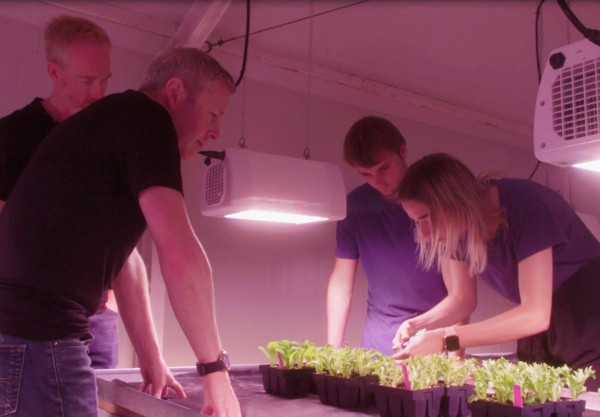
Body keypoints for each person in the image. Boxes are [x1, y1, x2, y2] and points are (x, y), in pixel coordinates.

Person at [0, 45, 241, 417]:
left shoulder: (110, 124)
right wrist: (215, 371)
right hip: (37, 339)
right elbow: (180, 254)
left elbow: (124, 261)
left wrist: (150, 356)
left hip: (15, 338)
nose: (215, 132)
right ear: (174, 93)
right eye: (213, 114)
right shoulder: (149, 119)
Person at [393, 152, 600, 390]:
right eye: (416, 222)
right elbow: (462, 300)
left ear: (452, 202)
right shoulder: (459, 229)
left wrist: (444, 339)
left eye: (425, 218)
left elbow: (535, 315)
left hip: (587, 316)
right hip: (540, 324)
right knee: (534, 400)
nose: (424, 233)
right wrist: (417, 326)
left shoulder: (525, 203)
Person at [1, 14, 125, 370]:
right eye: (87, 80)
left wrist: (111, 294)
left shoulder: (104, 143)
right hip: (33, 321)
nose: (99, 93)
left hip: (98, 318)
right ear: (55, 73)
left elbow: (116, 234)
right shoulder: (12, 138)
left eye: (105, 80)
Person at [326, 116, 455, 356]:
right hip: (379, 344)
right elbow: (342, 283)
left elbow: (461, 299)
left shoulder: (436, 199)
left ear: (403, 151)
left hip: (436, 338)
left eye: (383, 168)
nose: (379, 182)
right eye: (366, 174)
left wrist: (457, 357)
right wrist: (332, 353)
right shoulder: (355, 206)